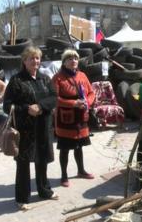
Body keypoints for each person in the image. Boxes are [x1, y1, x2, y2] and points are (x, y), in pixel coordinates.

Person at [3, 46, 58, 208]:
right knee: (23, 164)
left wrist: (40, 106)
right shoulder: (16, 80)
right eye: (31, 58)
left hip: (43, 127)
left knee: (42, 160)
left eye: (37, 58)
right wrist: (27, 109)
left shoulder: (45, 78)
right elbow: (7, 106)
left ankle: (44, 190)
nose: (35, 61)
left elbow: (54, 97)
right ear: (24, 61)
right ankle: (22, 198)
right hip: (25, 130)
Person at [52, 49, 95, 188]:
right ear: (64, 62)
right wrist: (73, 103)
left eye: (75, 58)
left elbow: (91, 93)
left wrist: (87, 102)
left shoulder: (82, 75)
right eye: (70, 58)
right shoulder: (58, 77)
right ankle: (64, 175)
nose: (73, 61)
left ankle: (81, 170)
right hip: (66, 118)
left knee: (79, 146)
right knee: (65, 148)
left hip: (81, 116)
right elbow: (54, 98)